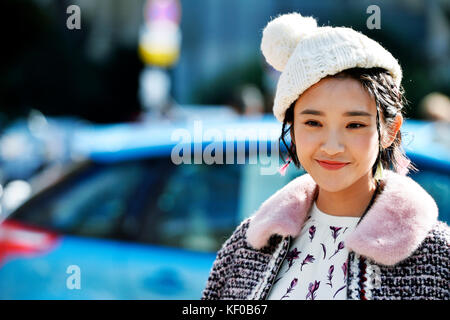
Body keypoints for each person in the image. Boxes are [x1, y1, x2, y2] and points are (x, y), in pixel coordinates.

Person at [201, 12, 449, 300]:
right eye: (313, 123)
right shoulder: (250, 244)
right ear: (292, 127)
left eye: (354, 125)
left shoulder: (437, 257)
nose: (332, 146)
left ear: (389, 130)